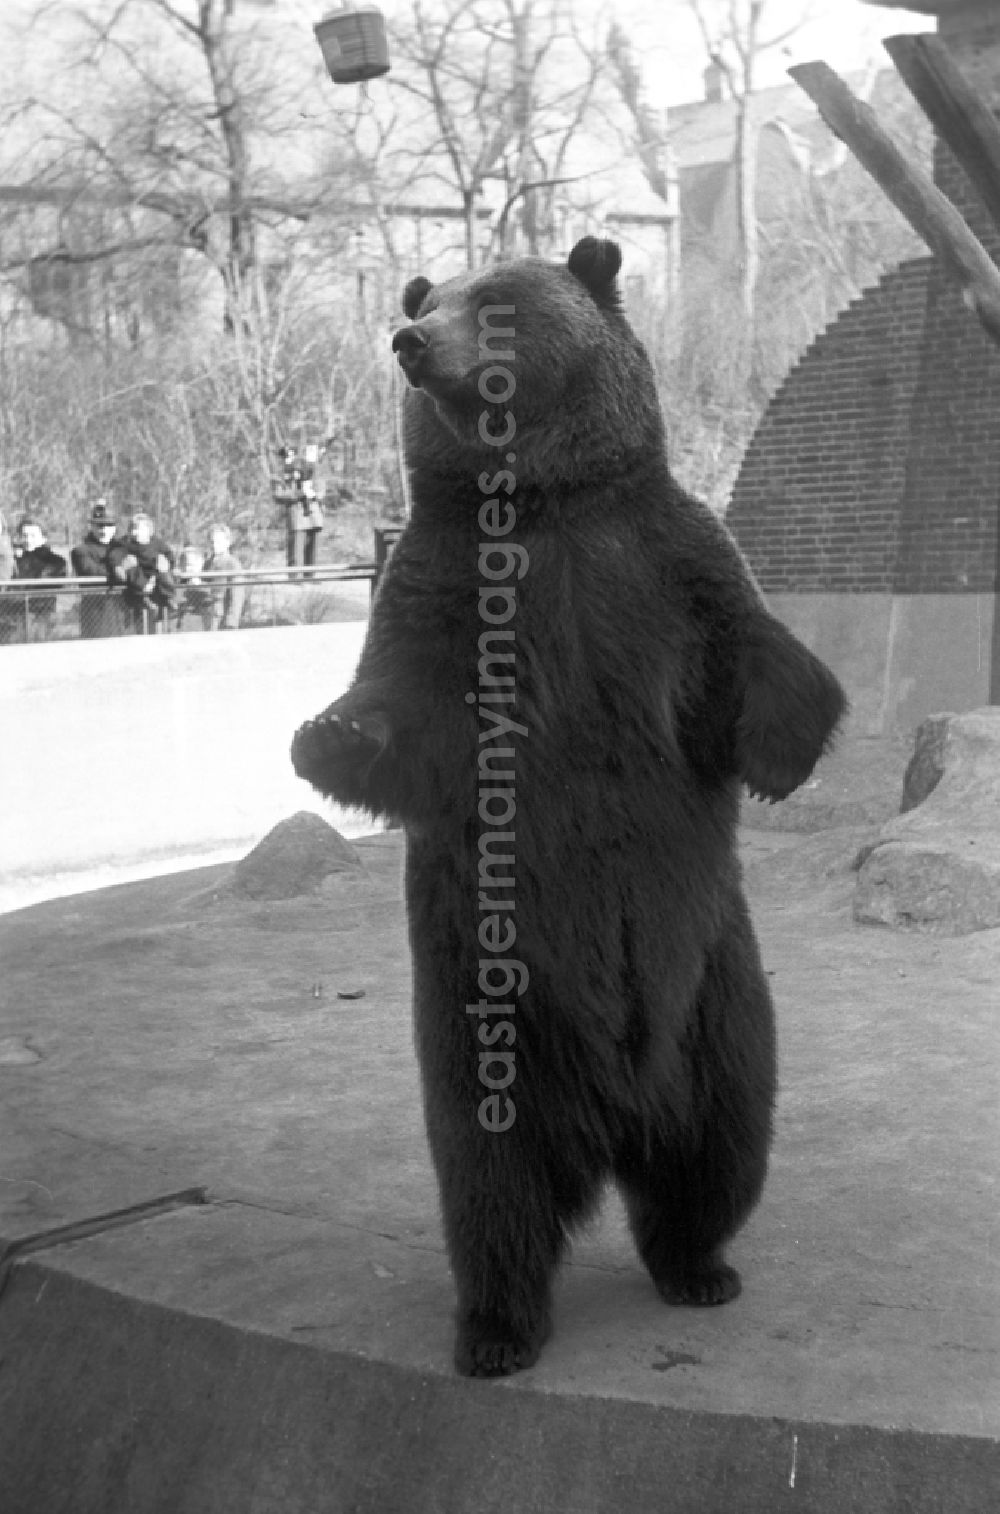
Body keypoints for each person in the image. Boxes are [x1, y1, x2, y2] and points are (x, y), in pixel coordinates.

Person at [107, 511, 177, 634]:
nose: (135, 533)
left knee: (164, 569)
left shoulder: (157, 543)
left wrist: (167, 564)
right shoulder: (125, 544)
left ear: (149, 531)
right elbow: (115, 556)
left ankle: (169, 598)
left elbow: (169, 556)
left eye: (139, 529)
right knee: (132, 566)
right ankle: (143, 596)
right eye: (133, 529)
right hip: (139, 575)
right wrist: (119, 566)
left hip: (155, 573)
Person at [176, 524, 245, 631]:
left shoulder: (232, 564)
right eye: (212, 542)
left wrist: (232, 620)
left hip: (222, 615)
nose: (215, 545)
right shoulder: (208, 563)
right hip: (206, 614)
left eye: (218, 542)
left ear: (227, 542)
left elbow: (237, 594)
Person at [71, 500, 123, 638]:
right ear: (92, 527)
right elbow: (91, 572)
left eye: (109, 525)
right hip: (96, 610)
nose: (104, 529)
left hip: (124, 610)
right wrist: (121, 572)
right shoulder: (81, 551)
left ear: (115, 527)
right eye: (100, 525)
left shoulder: (123, 548)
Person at [14, 518, 67, 637]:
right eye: (24, 535)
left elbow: (49, 584)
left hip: (42, 616)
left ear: (43, 538)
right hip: (14, 617)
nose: (28, 540)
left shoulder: (56, 561)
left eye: (33, 535)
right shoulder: (14, 560)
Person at [279, 443, 324, 570]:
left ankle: (310, 575)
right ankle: (296, 577)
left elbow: (320, 487)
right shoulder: (283, 473)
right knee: (296, 548)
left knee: (313, 547)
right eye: (287, 455)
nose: (289, 458)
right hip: (296, 513)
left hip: (313, 512)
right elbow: (279, 494)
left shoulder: (313, 469)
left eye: (291, 454)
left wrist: (315, 494)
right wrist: (300, 494)